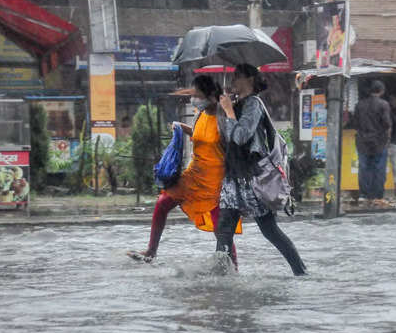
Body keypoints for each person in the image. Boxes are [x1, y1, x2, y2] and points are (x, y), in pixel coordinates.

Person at [127, 75, 240, 268]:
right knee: (162, 203)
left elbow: (236, 139)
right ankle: (151, 251)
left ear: (211, 95)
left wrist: (230, 110)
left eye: (197, 95)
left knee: (220, 228)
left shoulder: (223, 116)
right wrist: (181, 128)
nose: (194, 99)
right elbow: (198, 135)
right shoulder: (200, 114)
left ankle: (233, 266)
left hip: (214, 181)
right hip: (194, 174)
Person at [215, 63, 307, 276]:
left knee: (270, 230)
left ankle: (300, 271)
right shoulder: (237, 104)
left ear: (250, 80)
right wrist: (226, 108)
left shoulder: (254, 104)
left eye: (237, 77)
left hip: (251, 178)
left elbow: (240, 136)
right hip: (232, 177)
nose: (232, 82)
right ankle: (221, 278)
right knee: (224, 230)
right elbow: (227, 137)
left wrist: (229, 110)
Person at [348, 80, 392, 207]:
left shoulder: (359, 105)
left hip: (362, 142)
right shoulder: (384, 105)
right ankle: (377, 196)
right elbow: (387, 123)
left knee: (364, 169)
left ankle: (364, 195)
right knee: (379, 169)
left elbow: (355, 123)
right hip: (379, 142)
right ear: (381, 91)